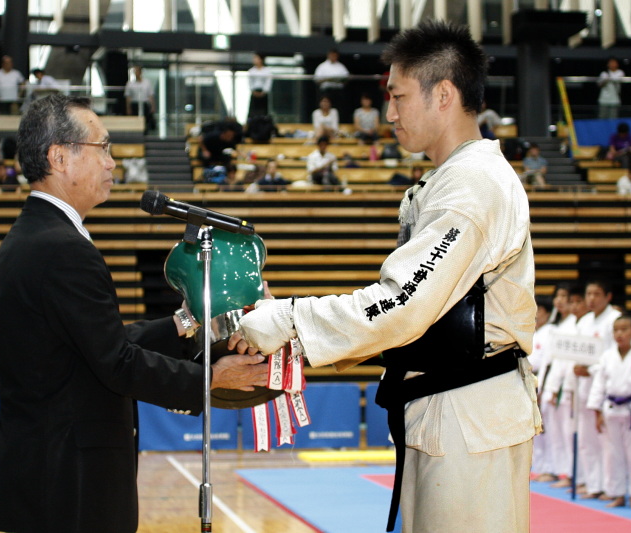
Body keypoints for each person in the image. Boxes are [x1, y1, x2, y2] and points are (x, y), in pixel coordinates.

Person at [233, 20, 540, 533]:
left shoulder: (475, 185)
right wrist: (289, 327)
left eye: (398, 97)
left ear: (443, 94)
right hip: (445, 410)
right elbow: (410, 319)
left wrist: (288, 319)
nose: (389, 113)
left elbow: (400, 306)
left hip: (471, 420)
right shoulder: (443, 182)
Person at [0, 94, 268, 533]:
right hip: (67, 484)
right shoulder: (60, 247)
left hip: (47, 475)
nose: (114, 163)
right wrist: (212, 377)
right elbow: (116, 362)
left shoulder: (36, 236)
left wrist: (185, 322)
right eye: (104, 148)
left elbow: (95, 344)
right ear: (60, 156)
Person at [570, 279, 622, 499]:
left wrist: (589, 370)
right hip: (584, 387)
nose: (591, 298)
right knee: (586, 440)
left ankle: (611, 487)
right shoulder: (584, 322)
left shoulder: (616, 321)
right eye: (588, 294)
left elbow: (616, 357)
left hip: (607, 387)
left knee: (607, 442)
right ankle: (592, 484)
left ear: (608, 297)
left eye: (597, 294)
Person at [586, 314, 631, 508]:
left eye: (624, 329)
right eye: (616, 330)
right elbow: (599, 386)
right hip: (611, 409)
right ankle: (617, 493)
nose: (620, 333)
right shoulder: (607, 356)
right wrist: (597, 412)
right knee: (612, 453)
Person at [543, 284, 588, 490]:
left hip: (572, 385)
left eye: (567, 298)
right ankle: (566, 472)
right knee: (559, 434)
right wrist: (551, 387)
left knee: (572, 435)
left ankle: (575, 475)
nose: (562, 302)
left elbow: (565, 363)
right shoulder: (560, 325)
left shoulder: (576, 325)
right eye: (559, 297)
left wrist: (557, 387)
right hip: (557, 383)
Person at [529, 296, 556, 482]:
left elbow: (546, 363)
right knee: (536, 429)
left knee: (547, 429)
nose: (536, 314)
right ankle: (539, 466)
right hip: (531, 380)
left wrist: (543, 388)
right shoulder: (533, 332)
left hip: (542, 380)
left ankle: (550, 468)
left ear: (548, 313)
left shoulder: (551, 333)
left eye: (540, 310)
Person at [314, 48, 349, 120]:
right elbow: (317, 80)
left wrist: (338, 80)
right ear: (328, 55)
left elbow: (346, 79)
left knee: (338, 109)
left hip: (338, 91)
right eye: (332, 55)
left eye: (335, 55)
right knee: (325, 107)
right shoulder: (322, 66)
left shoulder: (341, 66)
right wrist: (327, 79)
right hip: (326, 91)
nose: (333, 56)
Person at [124, 66, 156, 134]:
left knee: (145, 120)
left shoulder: (147, 83)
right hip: (134, 104)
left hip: (144, 104)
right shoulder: (130, 84)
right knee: (135, 120)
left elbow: (150, 95)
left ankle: (145, 133)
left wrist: (152, 106)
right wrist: (128, 108)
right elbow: (128, 97)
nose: (136, 73)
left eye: (137, 71)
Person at [248, 52, 273, 118]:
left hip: (263, 92)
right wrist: (253, 91)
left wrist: (264, 91)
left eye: (256, 58)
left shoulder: (267, 70)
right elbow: (250, 82)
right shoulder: (251, 70)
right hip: (254, 91)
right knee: (254, 111)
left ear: (261, 60)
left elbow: (268, 81)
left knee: (263, 111)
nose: (254, 60)